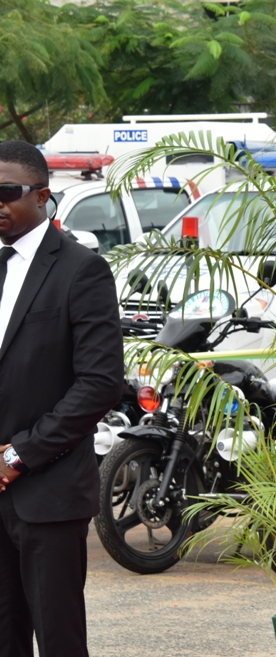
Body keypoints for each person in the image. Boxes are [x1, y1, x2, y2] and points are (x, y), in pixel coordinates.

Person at [0, 140, 123, 657]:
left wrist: (18, 455)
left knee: (58, 638)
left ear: (42, 196)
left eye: (6, 192)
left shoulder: (80, 270)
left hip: (45, 492)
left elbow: (98, 382)